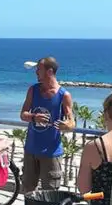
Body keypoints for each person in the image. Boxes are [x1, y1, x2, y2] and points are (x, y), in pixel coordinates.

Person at [20, 57, 74, 192]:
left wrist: (66, 125)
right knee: (28, 190)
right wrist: (33, 117)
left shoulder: (64, 95)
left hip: (52, 153)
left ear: (49, 72)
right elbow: (23, 114)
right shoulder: (33, 90)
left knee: (49, 193)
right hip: (31, 150)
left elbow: (71, 122)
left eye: (39, 69)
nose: (36, 72)